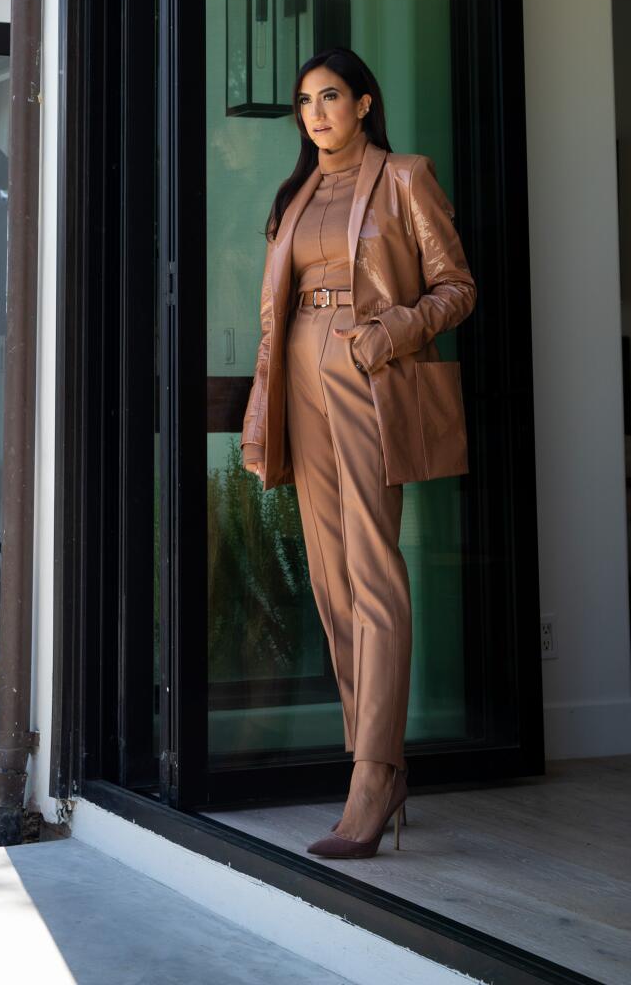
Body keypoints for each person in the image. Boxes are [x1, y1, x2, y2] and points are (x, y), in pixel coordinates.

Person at [241, 46, 476, 859]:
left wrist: (388, 330)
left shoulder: (405, 177)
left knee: (373, 570)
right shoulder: (293, 194)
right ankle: (371, 763)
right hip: (301, 371)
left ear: (364, 104)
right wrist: (261, 410)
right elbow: (275, 318)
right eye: (305, 101)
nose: (316, 112)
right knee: (329, 577)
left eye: (331, 96)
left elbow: (457, 287)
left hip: (366, 368)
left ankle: (375, 773)